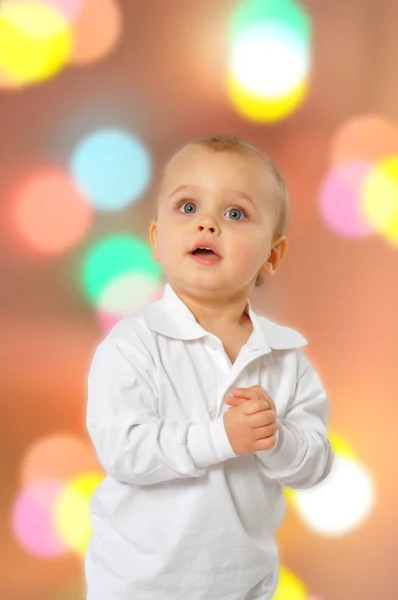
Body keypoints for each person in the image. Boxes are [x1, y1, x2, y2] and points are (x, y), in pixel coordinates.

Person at [85, 135, 334, 600]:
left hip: (244, 586)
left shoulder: (285, 358)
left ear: (272, 256)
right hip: (140, 586)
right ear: (157, 240)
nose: (207, 223)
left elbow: (315, 465)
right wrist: (221, 438)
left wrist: (276, 438)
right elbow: (123, 449)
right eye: (187, 207)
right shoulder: (133, 344)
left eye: (235, 214)